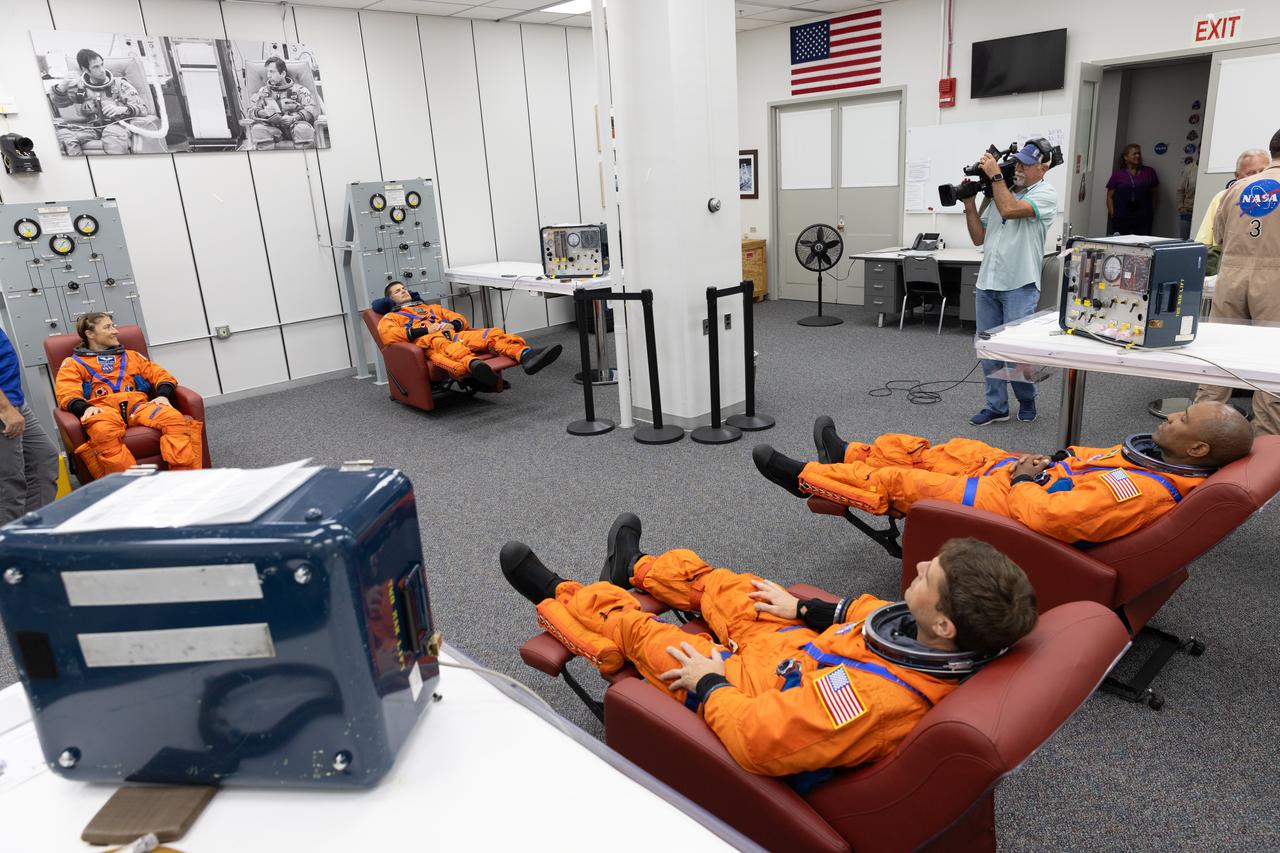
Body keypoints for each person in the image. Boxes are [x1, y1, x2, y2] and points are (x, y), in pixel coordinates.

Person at [501, 513, 1037, 778]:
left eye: (928, 577)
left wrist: (708, 681)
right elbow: (873, 614)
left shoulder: (870, 703)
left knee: (645, 635)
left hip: (752, 696)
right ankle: (635, 567)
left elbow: (760, 739)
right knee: (738, 589)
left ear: (945, 625)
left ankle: (558, 593)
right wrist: (802, 608)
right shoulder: (929, 637)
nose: (917, 567)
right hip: (798, 656)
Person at [754, 407, 1254, 546]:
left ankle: (810, 477)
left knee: (902, 484)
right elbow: (1083, 465)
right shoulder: (1147, 457)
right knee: (937, 450)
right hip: (1027, 476)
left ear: (1198, 449)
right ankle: (850, 453)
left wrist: (1023, 482)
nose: (1171, 417)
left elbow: (1056, 519)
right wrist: (1040, 465)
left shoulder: (1141, 490)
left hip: (1017, 503)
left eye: (1183, 421)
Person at [961, 139, 1058, 426]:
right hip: (988, 282)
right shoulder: (1002, 192)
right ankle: (996, 406)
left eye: (1026, 164)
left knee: (1017, 354)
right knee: (989, 351)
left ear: (1043, 168)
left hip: (1019, 284)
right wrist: (970, 202)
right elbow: (979, 236)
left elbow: (1010, 210)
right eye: (1017, 162)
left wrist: (995, 177)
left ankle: (1027, 399)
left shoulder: (1045, 194)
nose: (1018, 167)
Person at [1195, 129, 1280, 437]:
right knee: (1272, 365)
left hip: (1231, 277)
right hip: (1275, 282)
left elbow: (1219, 237)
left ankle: (1199, 433)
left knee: (1219, 360)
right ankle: (1264, 449)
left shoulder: (1236, 188)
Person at [54, 313, 204, 479]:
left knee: (175, 419)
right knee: (103, 434)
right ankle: (131, 489)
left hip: (138, 407)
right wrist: (85, 407)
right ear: (90, 334)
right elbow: (66, 393)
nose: (115, 331)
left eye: (113, 325)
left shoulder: (131, 356)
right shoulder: (73, 364)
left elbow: (162, 376)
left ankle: (185, 480)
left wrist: (163, 395)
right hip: (102, 411)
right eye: (107, 327)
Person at [376, 282, 561, 390]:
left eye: (404, 288)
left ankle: (527, 357)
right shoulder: (390, 317)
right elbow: (390, 336)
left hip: (453, 335)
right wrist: (427, 330)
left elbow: (458, 318)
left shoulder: (431, 308)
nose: (404, 291)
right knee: (441, 342)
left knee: (492, 334)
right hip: (430, 343)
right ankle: (475, 367)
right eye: (398, 291)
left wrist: (452, 324)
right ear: (390, 299)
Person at [1, 327, 59, 524]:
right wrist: (5, 409)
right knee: (8, 482)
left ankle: (33, 529)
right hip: (4, 407)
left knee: (43, 457)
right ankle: (9, 546)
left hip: (14, 400)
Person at [49, 49, 156, 156]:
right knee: (63, 135)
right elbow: (60, 103)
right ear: (85, 69)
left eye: (102, 65)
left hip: (117, 126)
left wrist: (122, 109)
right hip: (92, 128)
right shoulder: (81, 87)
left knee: (112, 135)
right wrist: (62, 86)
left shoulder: (120, 84)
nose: (102, 70)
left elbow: (143, 108)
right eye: (96, 67)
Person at [1195, 148, 1269, 276]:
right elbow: (1204, 243)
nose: (1258, 177)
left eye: (1263, 171)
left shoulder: (1275, 200)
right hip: (1227, 271)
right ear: (1237, 176)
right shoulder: (1223, 198)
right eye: (1251, 173)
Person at [247, 57, 318, 150]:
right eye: (267, 72)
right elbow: (250, 110)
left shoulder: (299, 90)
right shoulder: (263, 91)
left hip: (295, 127)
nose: (268, 75)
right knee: (258, 129)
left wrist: (294, 117)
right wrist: (263, 113)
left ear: (283, 73)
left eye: (272, 72)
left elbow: (312, 110)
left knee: (303, 129)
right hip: (273, 130)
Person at [1106, 144, 1159, 236]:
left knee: (1141, 245)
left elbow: (1155, 193)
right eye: (1134, 154)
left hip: (1143, 217)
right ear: (1126, 157)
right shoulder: (1118, 174)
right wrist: (1113, 214)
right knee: (1120, 244)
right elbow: (1109, 196)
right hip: (1121, 218)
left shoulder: (1149, 172)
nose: (1137, 156)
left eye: (1139, 153)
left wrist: (1151, 211)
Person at [1177, 158, 1198, 240]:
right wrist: (1180, 206)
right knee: (1184, 242)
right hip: (1188, 211)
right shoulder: (1189, 168)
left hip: (1204, 211)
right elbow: (1180, 189)